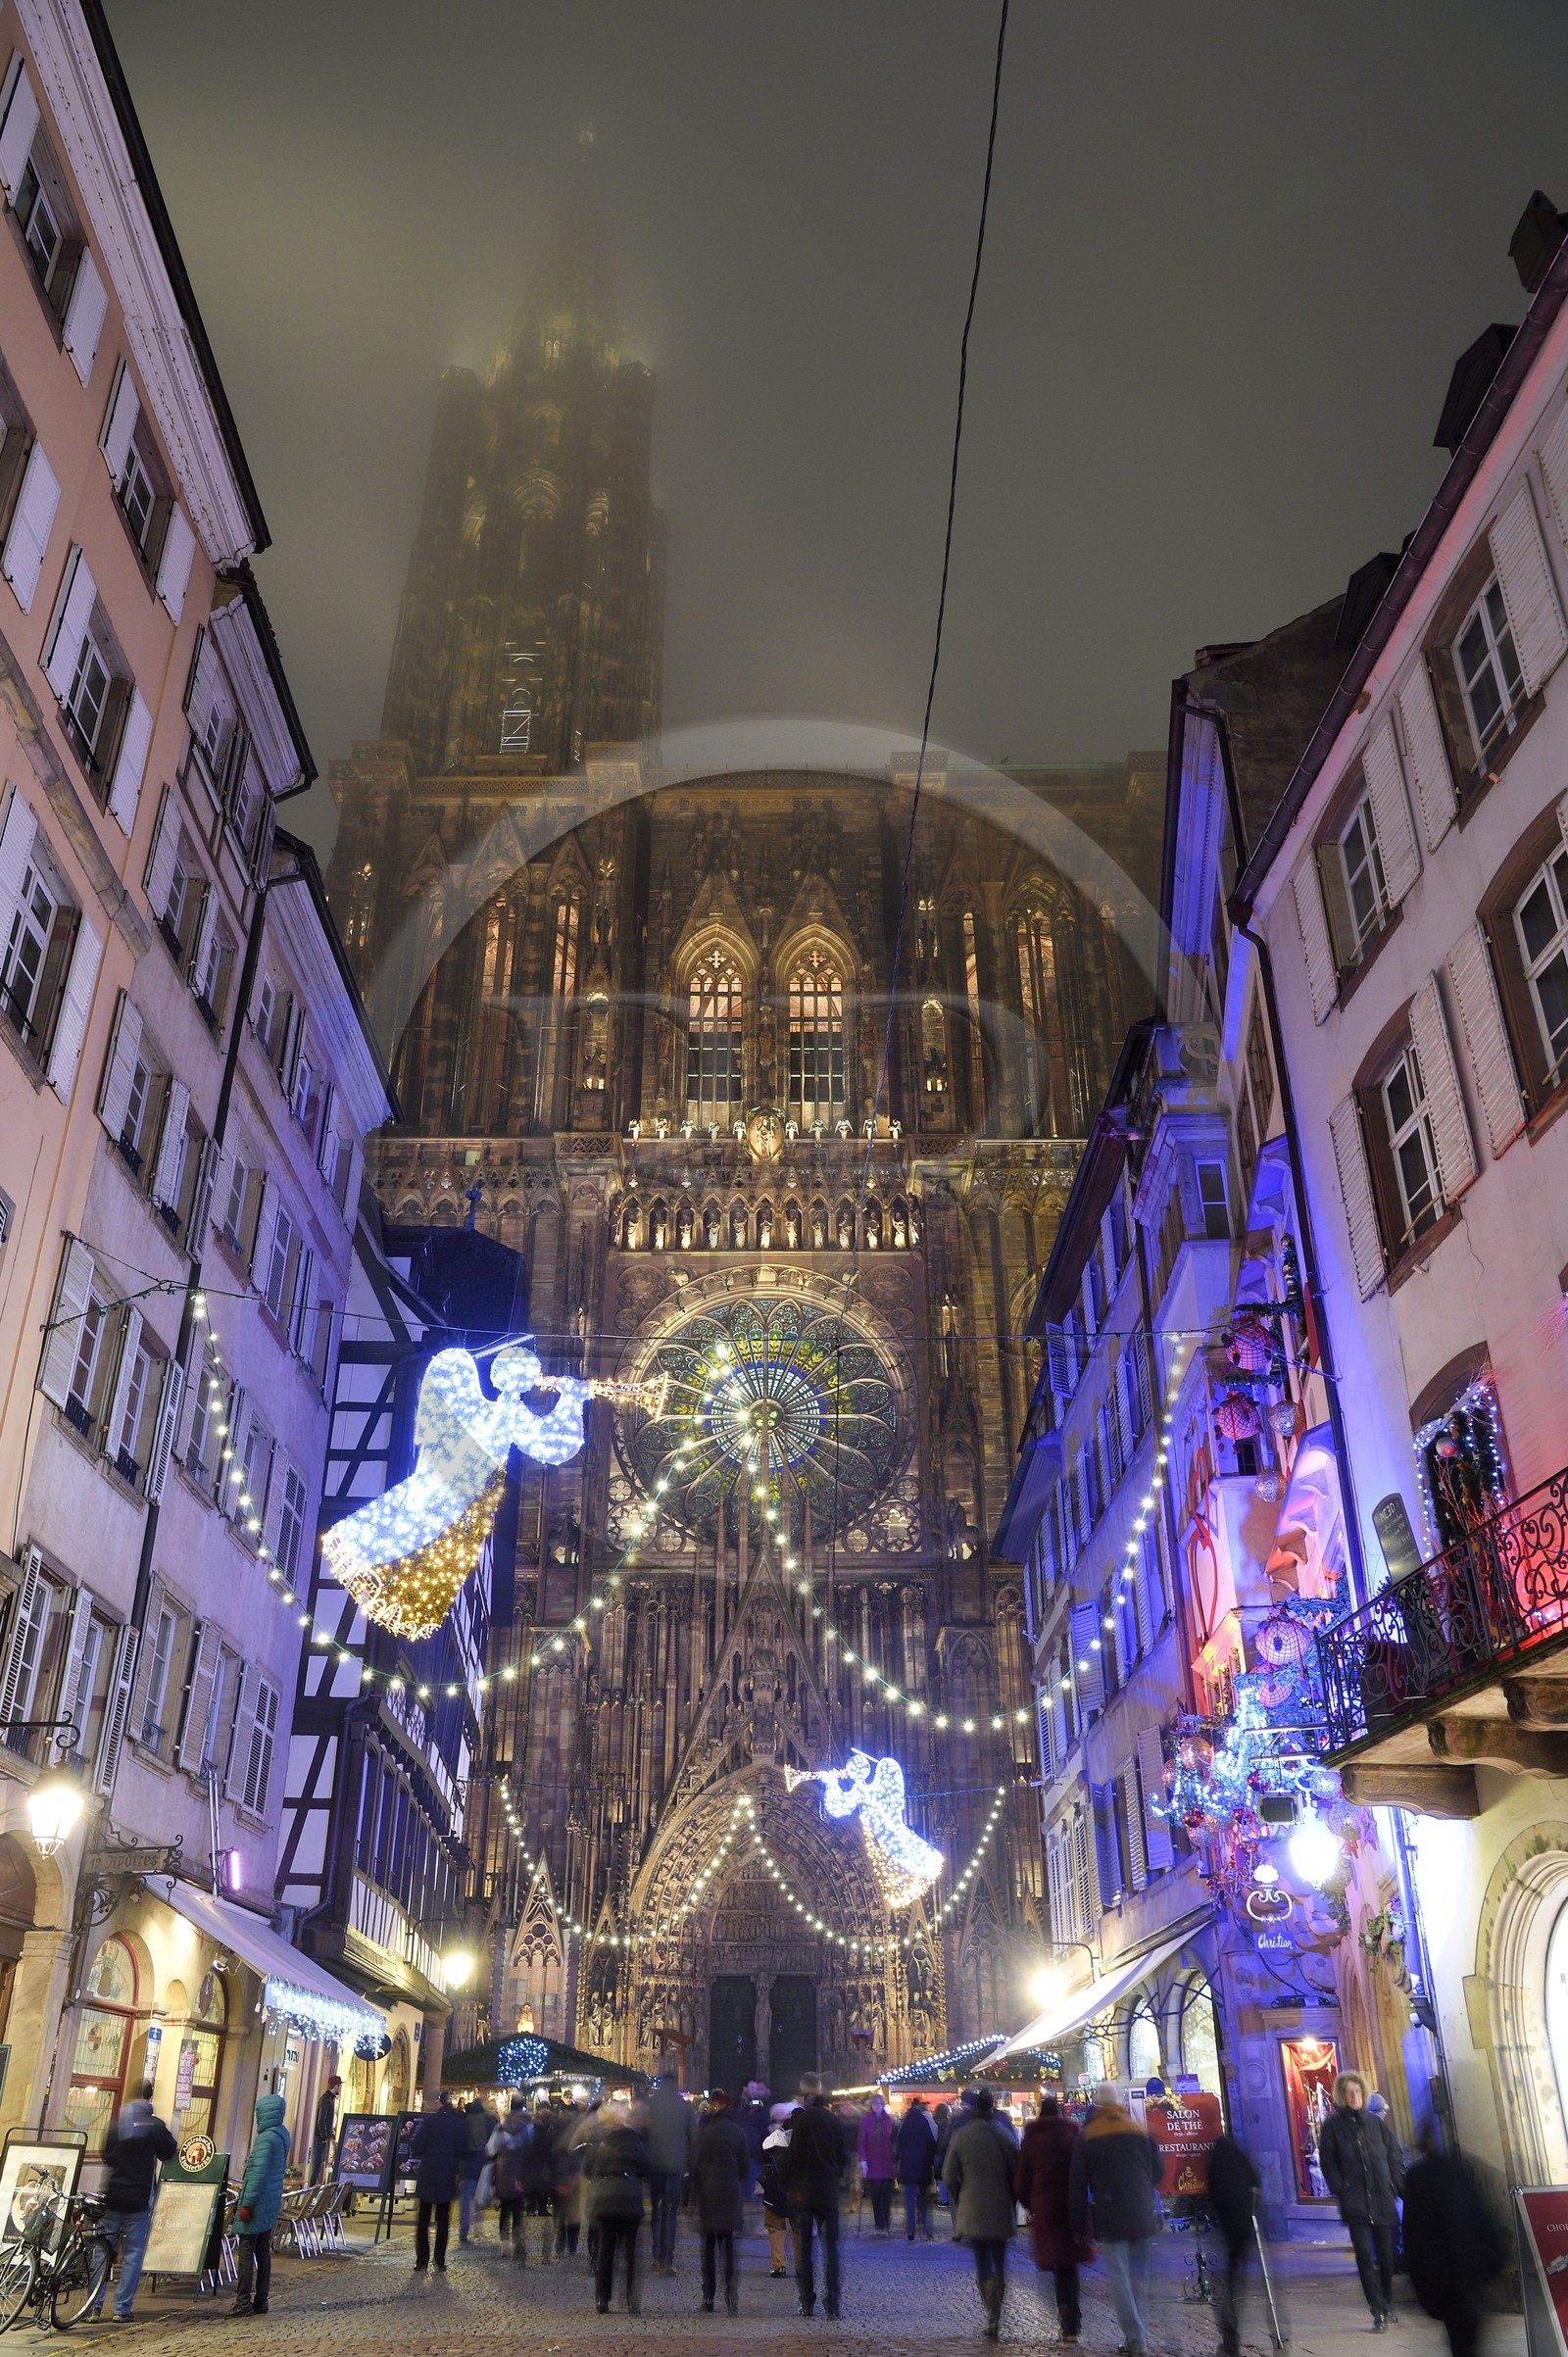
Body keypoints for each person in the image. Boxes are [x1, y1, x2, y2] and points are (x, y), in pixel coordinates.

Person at [1068, 2083, 1162, 2357]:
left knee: (1119, 2279)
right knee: (1139, 2280)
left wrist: (1078, 2226)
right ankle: (1135, 2337)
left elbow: (1077, 2185)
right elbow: (1158, 2172)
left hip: (1110, 2215)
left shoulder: (1089, 2135)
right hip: (1142, 2214)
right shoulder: (1139, 2131)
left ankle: (1136, 2339)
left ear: (1096, 2104)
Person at [1401, 2119, 1507, 2357]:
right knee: (1469, 2334)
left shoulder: (1417, 2177)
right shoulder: (1460, 2169)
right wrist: (1493, 2259)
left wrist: (1420, 2283)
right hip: (1469, 2268)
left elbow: (1413, 2234)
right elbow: (1482, 2215)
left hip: (1442, 2274)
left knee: (1461, 2339)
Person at [1317, 2072, 1407, 2331]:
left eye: (1357, 2091)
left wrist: (1393, 2184)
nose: (1354, 2096)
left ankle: (1386, 2302)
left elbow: (1394, 2154)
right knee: (1365, 2257)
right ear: (1342, 2096)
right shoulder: (1333, 2127)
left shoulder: (1375, 2124)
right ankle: (1377, 2310)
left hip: (1382, 2198)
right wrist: (1341, 2188)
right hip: (1356, 2201)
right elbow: (1328, 2161)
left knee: (1387, 2258)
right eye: (1349, 2092)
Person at [89, 2084, 175, 2323]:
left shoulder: (115, 2123)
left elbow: (106, 2155)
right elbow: (169, 2151)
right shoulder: (153, 2125)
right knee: (133, 2255)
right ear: (149, 2098)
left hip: (112, 2195)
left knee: (101, 2251)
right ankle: (121, 2309)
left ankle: (93, 2306)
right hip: (138, 2199)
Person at [1015, 2092, 1095, 2345]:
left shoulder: (1032, 2138)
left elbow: (1022, 2179)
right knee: (1070, 2264)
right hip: (1071, 2204)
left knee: (1059, 2265)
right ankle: (1073, 2321)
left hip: (1046, 2207)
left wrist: (1030, 2203)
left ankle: (1065, 2314)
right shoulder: (1073, 2134)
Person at [943, 2087, 1020, 2340]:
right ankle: (996, 2311)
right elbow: (1016, 2169)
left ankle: (991, 2313)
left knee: (982, 2262)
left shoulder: (962, 2135)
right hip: (1000, 2206)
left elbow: (948, 2174)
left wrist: (959, 2196)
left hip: (973, 2206)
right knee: (999, 2262)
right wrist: (1012, 2196)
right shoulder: (1004, 2134)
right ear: (992, 2106)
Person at [781, 2071, 852, 2320]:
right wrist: (835, 2175)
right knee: (831, 2249)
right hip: (828, 2191)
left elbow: (792, 2158)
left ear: (804, 2093)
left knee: (806, 2250)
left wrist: (790, 2183)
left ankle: (807, 2301)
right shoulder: (834, 2122)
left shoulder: (801, 2122)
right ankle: (833, 2302)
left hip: (805, 2192)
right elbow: (843, 2157)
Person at [584, 2102, 650, 2314]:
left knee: (606, 2251)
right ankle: (630, 2299)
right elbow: (646, 2167)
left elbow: (587, 2168)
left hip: (606, 2200)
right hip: (629, 2198)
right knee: (630, 2252)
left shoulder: (598, 2140)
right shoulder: (635, 2140)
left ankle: (602, 2299)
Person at [231, 2092, 291, 2316]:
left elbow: (258, 2174)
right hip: (271, 2201)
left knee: (246, 2251)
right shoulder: (282, 2134)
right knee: (263, 2251)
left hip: (257, 2203)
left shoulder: (266, 2139)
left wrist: (246, 2204)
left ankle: (243, 2302)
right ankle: (261, 2300)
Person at [693, 2089, 749, 2315]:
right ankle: (731, 2298)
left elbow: (696, 2164)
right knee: (729, 2249)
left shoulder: (706, 2133)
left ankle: (708, 2298)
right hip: (730, 2194)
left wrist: (696, 2191)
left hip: (709, 2193)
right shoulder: (739, 2132)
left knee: (708, 2249)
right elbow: (745, 2168)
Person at [1205, 2131, 1261, 2357]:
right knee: (1236, 2281)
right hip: (1244, 2230)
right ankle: (1230, 2339)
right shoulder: (1242, 2161)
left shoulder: (1217, 2165)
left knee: (1226, 2285)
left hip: (1228, 2230)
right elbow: (1255, 2185)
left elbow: (1213, 2195)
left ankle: (1230, 2341)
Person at [411, 2090, 467, 2275]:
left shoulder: (429, 2122)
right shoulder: (457, 2124)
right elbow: (463, 2150)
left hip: (428, 2175)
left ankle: (422, 2260)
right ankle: (439, 2259)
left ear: (440, 2103)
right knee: (443, 2220)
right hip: (447, 2175)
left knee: (423, 2220)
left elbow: (417, 2147)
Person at [645, 2073, 697, 2276]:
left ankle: (656, 2255)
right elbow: (694, 2137)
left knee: (656, 2211)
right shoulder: (684, 2106)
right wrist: (690, 2166)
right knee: (670, 2212)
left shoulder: (651, 2104)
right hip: (676, 2166)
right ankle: (667, 2259)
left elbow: (642, 2134)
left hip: (654, 2165)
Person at [760, 2105, 800, 2278]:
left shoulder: (776, 2139)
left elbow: (764, 2147)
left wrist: (782, 2129)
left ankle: (779, 2266)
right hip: (798, 2194)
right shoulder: (809, 2143)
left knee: (775, 2228)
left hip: (775, 2192)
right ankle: (801, 2267)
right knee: (799, 2230)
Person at [489, 2103, 531, 2263]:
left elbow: (490, 2150)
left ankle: (504, 2245)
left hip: (504, 2172)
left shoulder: (501, 2128)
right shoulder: (526, 2128)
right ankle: (516, 2246)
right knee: (518, 2211)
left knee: (505, 2210)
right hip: (520, 2173)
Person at [897, 2096, 939, 2241]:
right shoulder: (924, 2122)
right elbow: (931, 2143)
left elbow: (899, 2143)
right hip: (923, 2166)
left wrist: (900, 2159)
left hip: (908, 2166)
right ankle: (927, 2229)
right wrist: (930, 2161)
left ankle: (911, 2231)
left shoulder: (906, 2122)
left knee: (910, 2200)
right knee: (923, 2199)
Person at [459, 2092, 497, 2242]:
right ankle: (478, 2230)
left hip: (467, 2165)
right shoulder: (489, 2120)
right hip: (483, 2164)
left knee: (465, 2200)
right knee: (479, 2199)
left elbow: (460, 2143)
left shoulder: (464, 2120)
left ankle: (463, 2231)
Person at [858, 2091, 898, 2234]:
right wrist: (863, 2160)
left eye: (879, 2103)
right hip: (873, 2162)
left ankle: (885, 2223)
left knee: (886, 2195)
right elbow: (862, 2141)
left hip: (886, 2161)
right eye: (875, 2103)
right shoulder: (866, 2120)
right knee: (875, 2195)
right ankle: (878, 2224)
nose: (877, 2106)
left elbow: (893, 2140)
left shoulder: (889, 2120)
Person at [310, 2075, 341, 2186]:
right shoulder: (326, 2099)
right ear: (336, 2086)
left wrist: (331, 2137)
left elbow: (328, 2121)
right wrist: (324, 2137)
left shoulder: (330, 2099)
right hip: (319, 2138)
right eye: (339, 2086)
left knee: (319, 2165)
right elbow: (321, 2119)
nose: (340, 2088)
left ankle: (315, 2188)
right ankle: (312, 2189)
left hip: (323, 2137)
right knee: (317, 2165)